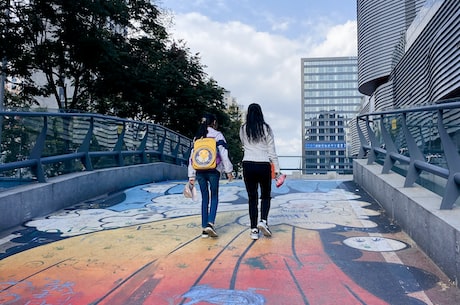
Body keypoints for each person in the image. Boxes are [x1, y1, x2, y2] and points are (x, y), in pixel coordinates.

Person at [239, 103, 286, 240]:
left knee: (252, 197)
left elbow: (244, 144)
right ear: (260, 113)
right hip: (263, 164)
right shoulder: (266, 128)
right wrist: (276, 169)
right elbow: (272, 151)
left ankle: (254, 230)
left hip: (247, 164)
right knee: (265, 195)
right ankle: (263, 221)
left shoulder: (243, 129)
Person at [188, 114, 234, 238]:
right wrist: (228, 170)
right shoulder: (218, 135)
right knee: (214, 196)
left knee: (204, 198)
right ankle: (210, 223)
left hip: (199, 171)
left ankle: (204, 228)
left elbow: (192, 157)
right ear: (214, 122)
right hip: (214, 170)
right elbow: (224, 154)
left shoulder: (197, 137)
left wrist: (191, 176)